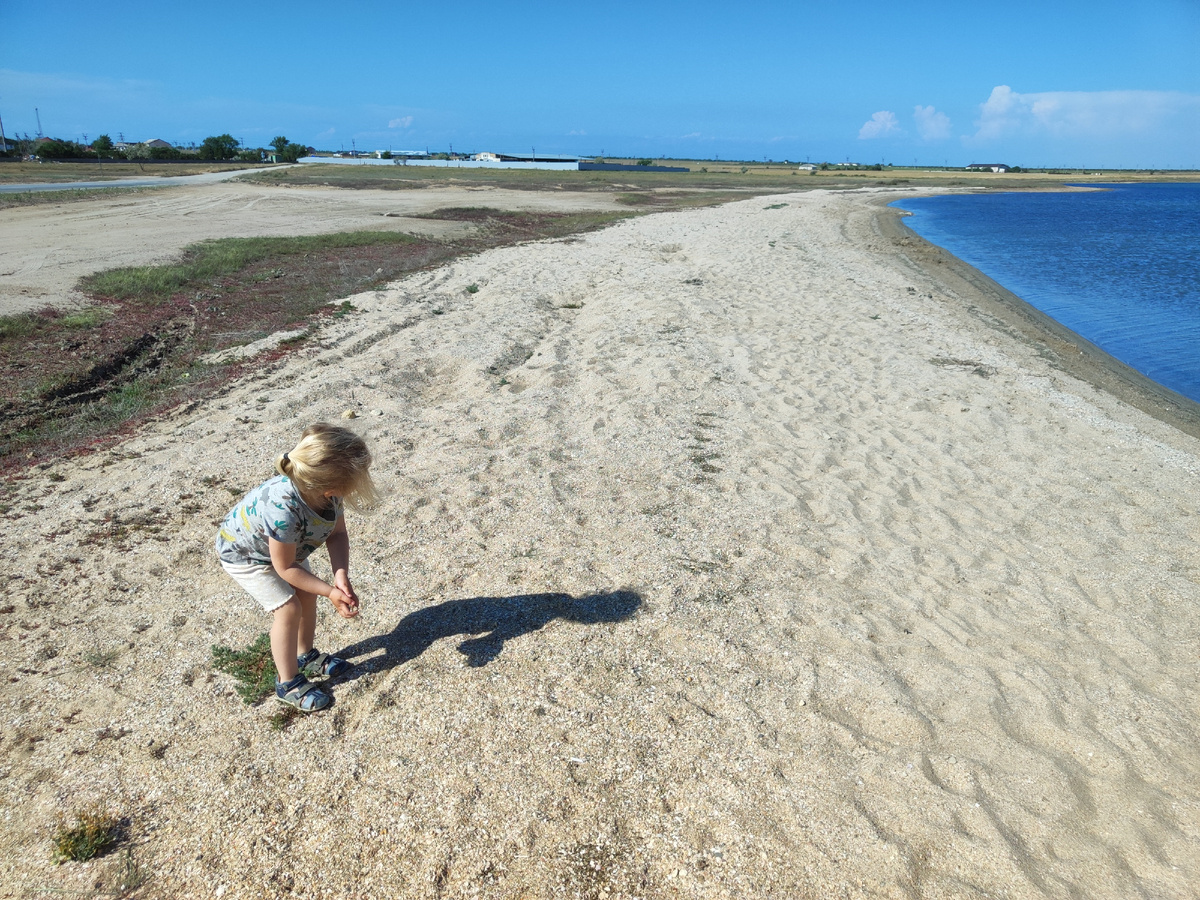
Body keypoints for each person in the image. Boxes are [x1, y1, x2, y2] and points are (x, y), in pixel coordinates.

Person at [215, 423, 378, 712]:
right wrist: (330, 592)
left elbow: (337, 534)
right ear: (329, 484)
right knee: (288, 608)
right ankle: (287, 682)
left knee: (307, 594)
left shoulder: (329, 493)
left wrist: (340, 576)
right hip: (246, 554)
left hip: (288, 544)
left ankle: (306, 655)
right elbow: (286, 567)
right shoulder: (283, 510)